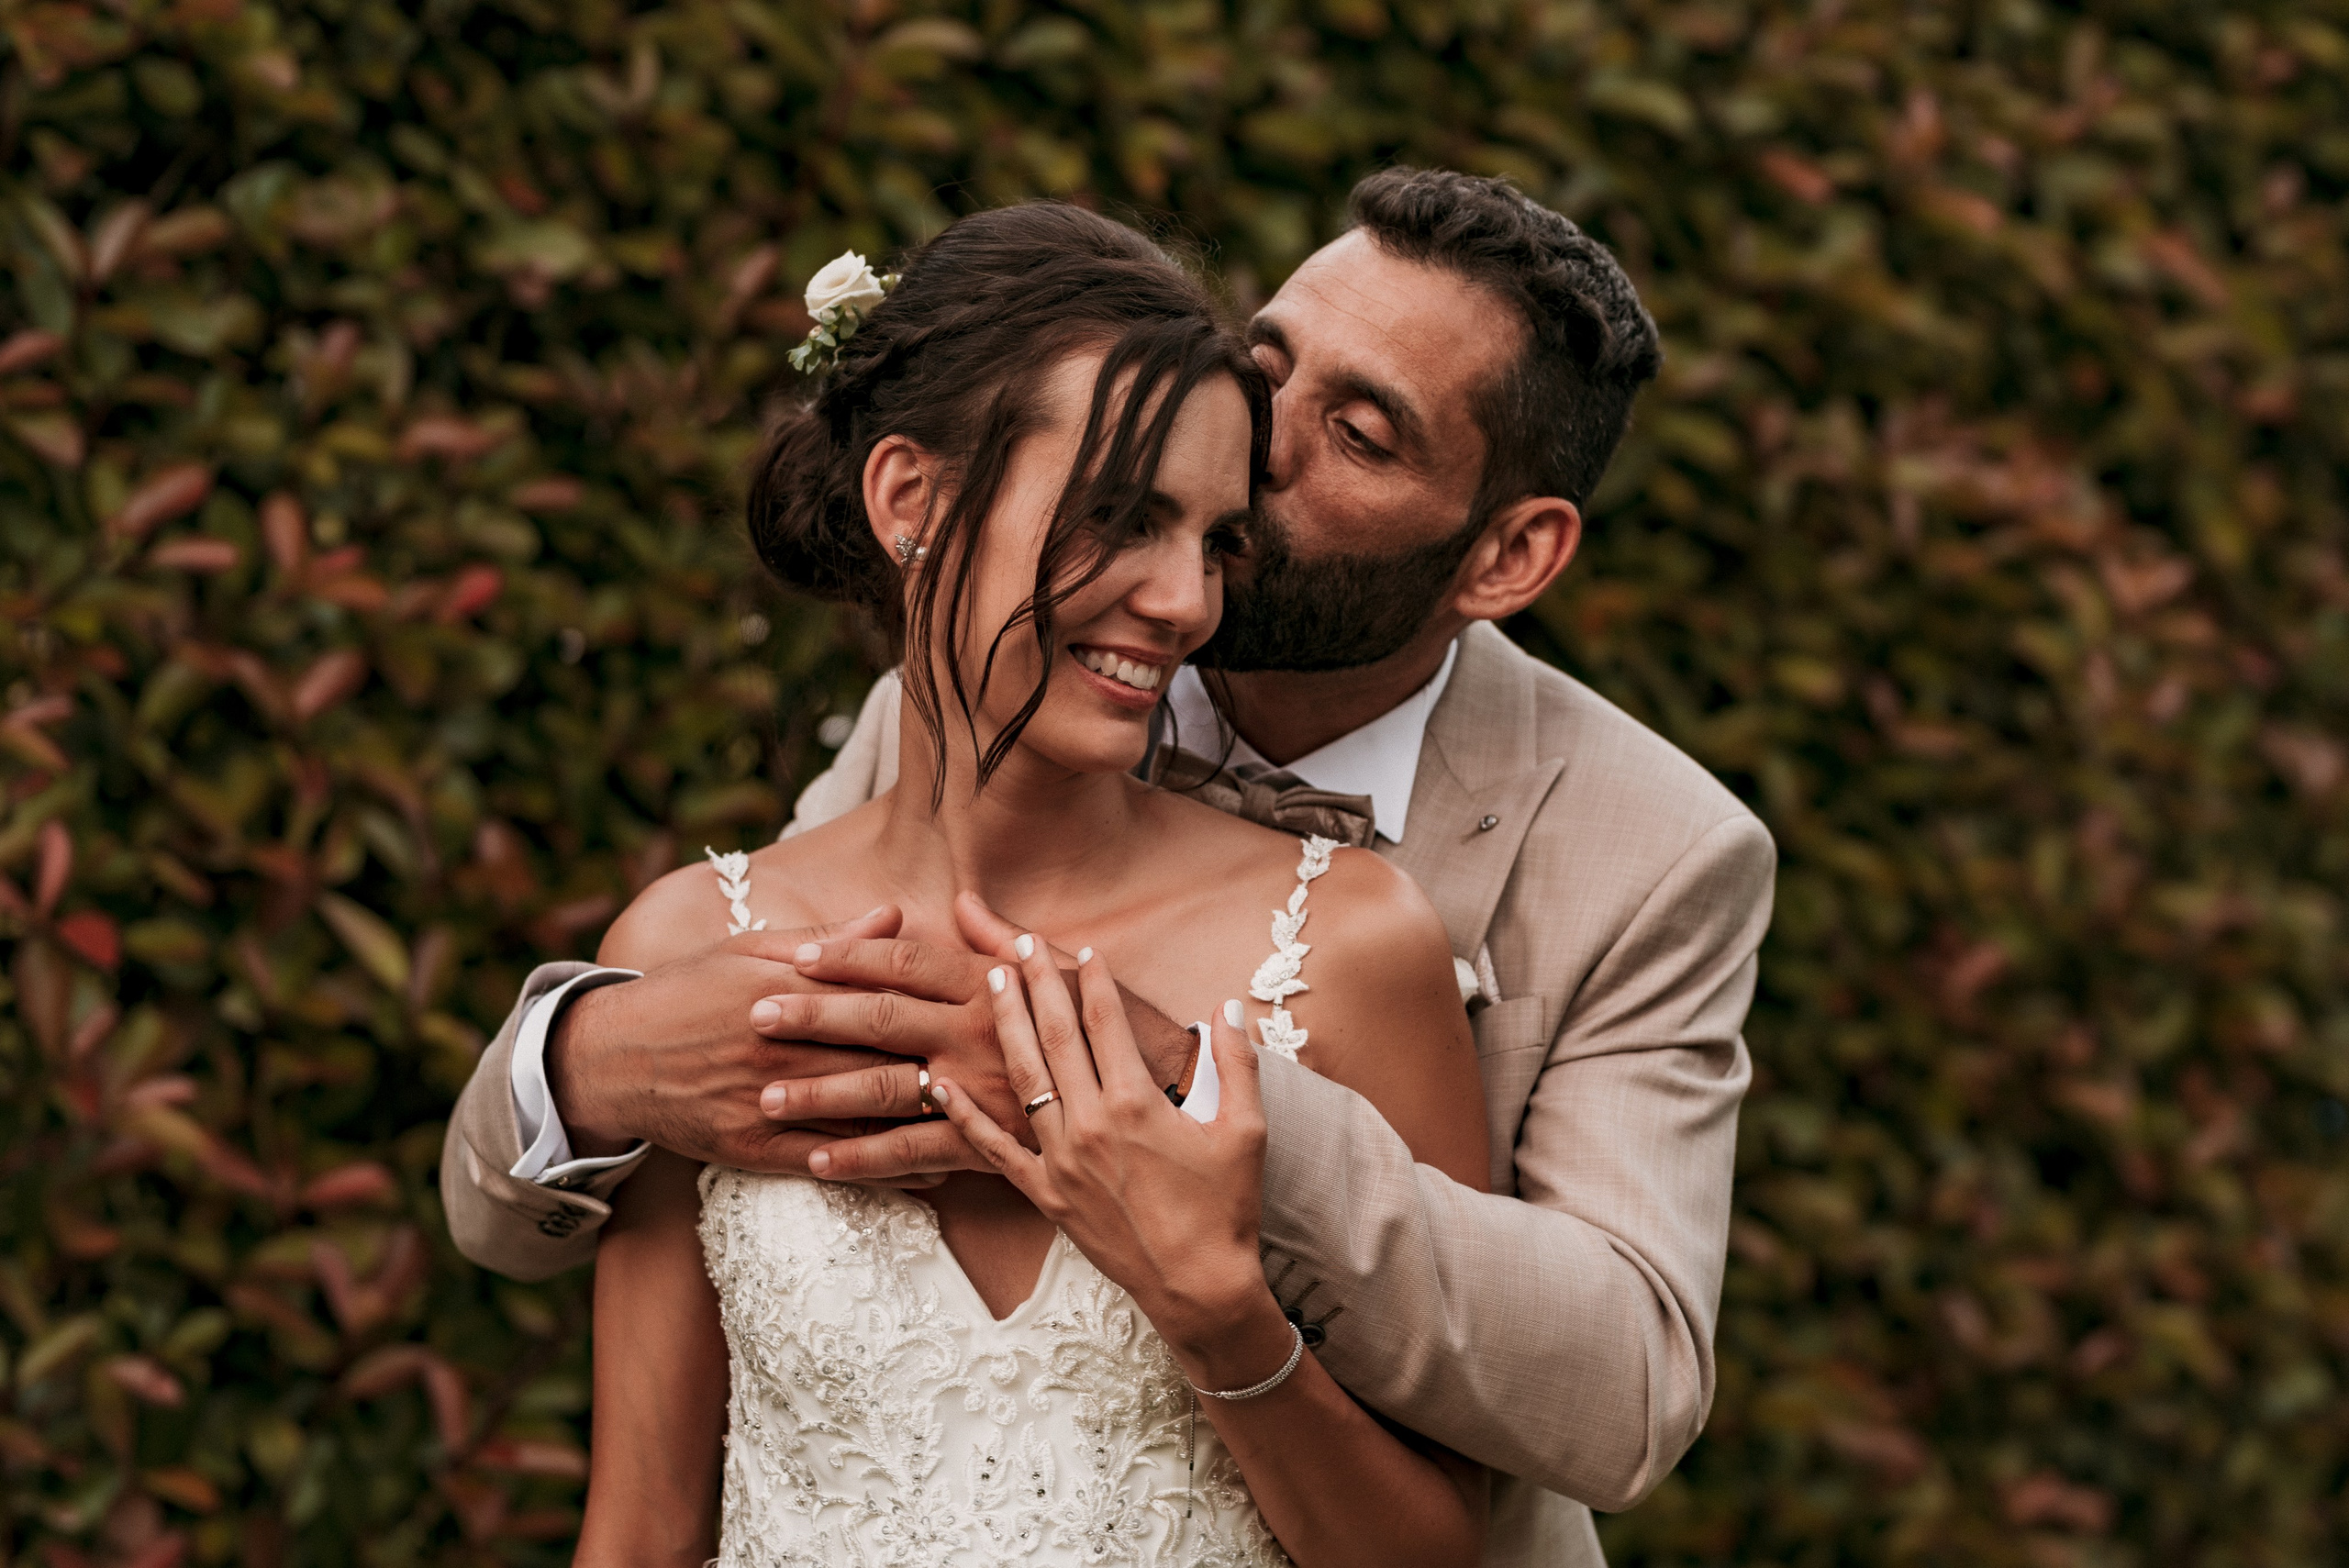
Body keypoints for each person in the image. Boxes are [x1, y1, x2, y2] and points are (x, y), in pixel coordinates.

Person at [442, 169, 1776, 1568]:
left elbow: (1628, 1388)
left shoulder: (1642, 856)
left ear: (1509, 554)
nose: (1258, 448)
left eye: (1359, 433)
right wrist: (591, 1057)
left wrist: (1172, 1093)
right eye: (1269, 370)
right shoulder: (947, 704)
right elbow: (644, 1387)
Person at [574, 201, 1493, 1567]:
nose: (1185, 601)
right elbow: (641, 1530)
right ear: (910, 500)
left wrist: (1217, 1313)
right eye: (1121, 517)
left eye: (1216, 541)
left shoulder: (1348, 946)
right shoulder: (688, 949)